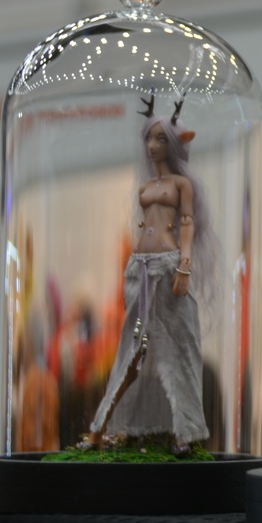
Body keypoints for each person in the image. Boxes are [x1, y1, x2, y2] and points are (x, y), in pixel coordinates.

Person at [81, 96, 215, 457]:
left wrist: (185, 264)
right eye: (149, 138)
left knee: (176, 350)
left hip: (168, 268)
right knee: (132, 349)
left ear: (174, 143)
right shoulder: (145, 187)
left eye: (160, 138)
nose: (152, 145)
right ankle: (104, 427)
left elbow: (187, 223)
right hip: (139, 268)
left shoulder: (181, 185)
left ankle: (185, 431)